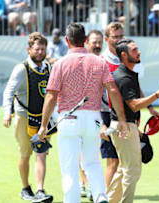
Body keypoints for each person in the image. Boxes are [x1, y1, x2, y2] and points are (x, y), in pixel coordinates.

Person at [37, 23, 128, 203]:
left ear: (67, 40)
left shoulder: (61, 63)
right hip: (93, 119)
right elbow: (112, 90)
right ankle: (101, 196)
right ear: (85, 40)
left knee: (69, 168)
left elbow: (51, 96)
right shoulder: (99, 62)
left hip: (69, 119)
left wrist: (43, 125)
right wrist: (122, 120)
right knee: (92, 162)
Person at [107, 38, 159, 203]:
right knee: (132, 170)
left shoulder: (127, 74)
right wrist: (157, 95)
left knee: (124, 168)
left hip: (124, 126)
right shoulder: (124, 78)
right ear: (124, 55)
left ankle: (109, 200)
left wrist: (150, 108)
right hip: (124, 127)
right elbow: (134, 105)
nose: (139, 52)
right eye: (135, 50)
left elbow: (135, 97)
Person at [2, 32, 53, 203]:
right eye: (37, 49)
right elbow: (9, 91)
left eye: (43, 49)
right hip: (24, 118)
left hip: (44, 120)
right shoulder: (21, 69)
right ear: (29, 49)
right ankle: (25, 188)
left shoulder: (49, 68)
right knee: (25, 154)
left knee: (41, 153)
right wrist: (6, 113)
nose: (40, 52)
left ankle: (40, 190)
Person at [100, 22, 145, 190]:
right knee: (113, 160)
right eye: (115, 37)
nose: (119, 39)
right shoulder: (101, 62)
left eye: (121, 36)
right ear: (107, 39)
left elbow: (135, 86)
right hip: (108, 115)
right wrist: (101, 123)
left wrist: (149, 107)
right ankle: (103, 197)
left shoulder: (130, 59)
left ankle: (109, 197)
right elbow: (95, 94)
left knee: (121, 162)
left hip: (125, 116)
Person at [76, 29, 104, 202]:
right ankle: (85, 183)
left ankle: (89, 184)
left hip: (98, 112)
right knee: (83, 149)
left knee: (92, 151)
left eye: (100, 41)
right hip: (80, 112)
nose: (97, 44)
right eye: (94, 41)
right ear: (87, 42)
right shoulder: (80, 61)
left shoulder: (103, 61)